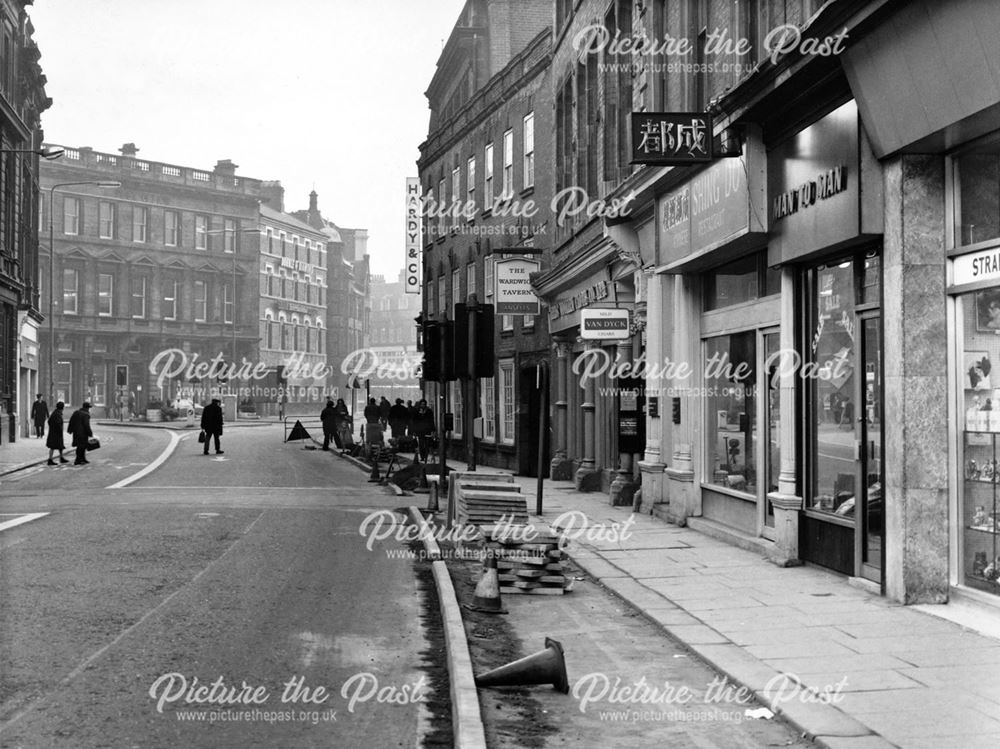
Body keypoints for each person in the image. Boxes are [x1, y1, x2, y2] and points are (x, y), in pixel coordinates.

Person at [67, 401, 93, 465]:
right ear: (87, 408)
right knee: (81, 447)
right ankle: (78, 460)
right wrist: (90, 433)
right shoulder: (86, 414)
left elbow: (71, 421)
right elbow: (86, 425)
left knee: (80, 446)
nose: (89, 409)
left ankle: (83, 459)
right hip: (83, 433)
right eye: (89, 408)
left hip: (76, 432)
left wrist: (70, 429)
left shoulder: (76, 412)